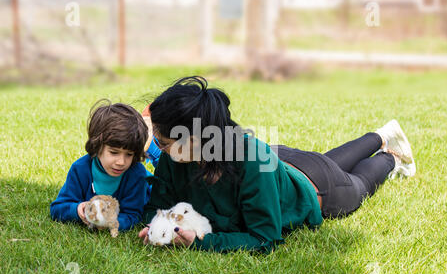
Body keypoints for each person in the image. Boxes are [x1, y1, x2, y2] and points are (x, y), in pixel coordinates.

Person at [138, 76, 416, 253]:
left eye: (162, 143)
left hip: (318, 187)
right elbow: (157, 206)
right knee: (329, 160)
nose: (159, 148)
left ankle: (389, 156)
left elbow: (264, 238)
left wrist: (202, 243)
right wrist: (154, 225)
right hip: (280, 163)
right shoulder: (174, 157)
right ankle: (380, 135)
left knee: (360, 184)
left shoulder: (250, 162)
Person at [50, 100, 160, 231]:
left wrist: (110, 222)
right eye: (114, 152)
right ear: (97, 146)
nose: (121, 162)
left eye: (129, 154)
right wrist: (78, 210)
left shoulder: (136, 174)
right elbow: (57, 208)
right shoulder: (80, 169)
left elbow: (133, 215)